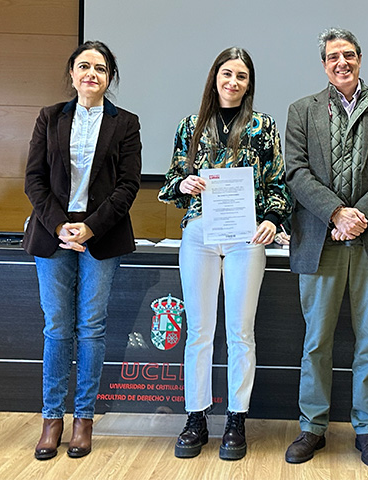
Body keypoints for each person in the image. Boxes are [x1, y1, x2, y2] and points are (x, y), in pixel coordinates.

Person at [283, 28, 368, 469]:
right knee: (316, 340)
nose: (342, 62)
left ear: (360, 59)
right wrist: (337, 213)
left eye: (349, 55)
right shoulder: (302, 111)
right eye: (333, 56)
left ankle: (367, 430)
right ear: (324, 64)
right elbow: (296, 173)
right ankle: (312, 427)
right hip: (320, 240)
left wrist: (361, 216)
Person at [158, 47, 291, 461]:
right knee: (198, 331)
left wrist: (272, 218)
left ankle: (236, 417)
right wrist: (184, 185)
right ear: (215, 76)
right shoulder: (189, 126)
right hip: (199, 233)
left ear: (250, 84)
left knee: (240, 331)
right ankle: (195, 416)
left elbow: (277, 183)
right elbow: (170, 181)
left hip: (245, 236)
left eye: (242, 77)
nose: (233, 82)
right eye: (227, 74)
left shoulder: (262, 125)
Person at [24, 40, 141, 460]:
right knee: (57, 327)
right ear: (72, 74)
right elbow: (33, 179)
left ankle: (83, 420)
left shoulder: (126, 122)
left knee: (91, 328)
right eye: (84, 66)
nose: (91, 73)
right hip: (51, 232)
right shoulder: (49, 117)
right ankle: (51, 419)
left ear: (109, 78)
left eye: (101, 68)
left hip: (101, 234)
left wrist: (89, 228)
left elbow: (128, 186)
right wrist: (60, 224)